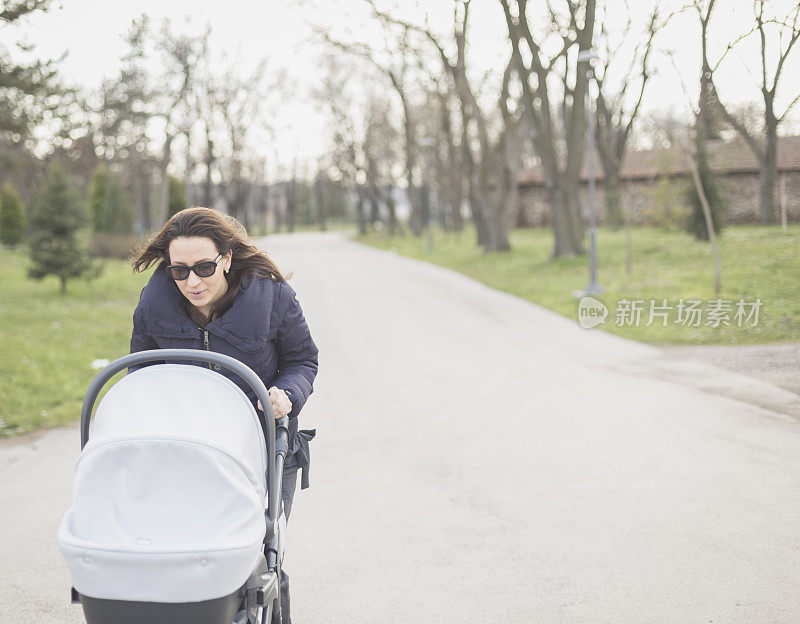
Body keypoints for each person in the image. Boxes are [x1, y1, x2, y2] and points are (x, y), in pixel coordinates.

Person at [128, 206, 318, 623]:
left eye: (203, 267)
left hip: (263, 446)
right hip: (187, 449)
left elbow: (302, 358)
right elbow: (140, 372)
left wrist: (286, 394)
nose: (192, 282)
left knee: (255, 550)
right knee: (190, 551)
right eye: (179, 271)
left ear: (227, 258)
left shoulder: (272, 296)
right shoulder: (155, 303)